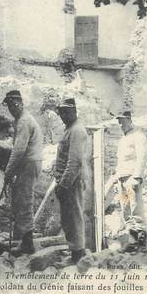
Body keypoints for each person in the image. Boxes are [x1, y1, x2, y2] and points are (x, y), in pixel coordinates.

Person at [2, 90, 43, 256]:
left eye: (14, 105)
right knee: (20, 200)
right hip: (27, 164)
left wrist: (8, 172)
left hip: (30, 164)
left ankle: (28, 243)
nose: (12, 109)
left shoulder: (25, 121)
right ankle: (23, 237)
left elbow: (18, 150)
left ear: (20, 103)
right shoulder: (20, 120)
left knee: (25, 200)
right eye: (9, 106)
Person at [55, 97, 88, 264]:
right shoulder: (69, 129)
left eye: (67, 112)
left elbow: (74, 161)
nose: (63, 115)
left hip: (72, 181)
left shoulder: (77, 131)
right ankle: (75, 251)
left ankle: (78, 254)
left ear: (74, 111)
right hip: (65, 181)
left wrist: (63, 184)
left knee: (74, 218)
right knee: (68, 218)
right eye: (61, 112)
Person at [115, 110, 147, 251]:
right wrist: (118, 178)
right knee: (126, 211)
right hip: (122, 180)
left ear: (129, 119)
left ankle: (141, 245)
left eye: (122, 120)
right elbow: (121, 161)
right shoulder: (123, 139)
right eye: (119, 121)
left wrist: (137, 177)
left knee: (136, 212)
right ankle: (133, 242)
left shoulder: (138, 136)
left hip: (131, 179)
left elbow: (142, 157)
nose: (120, 124)